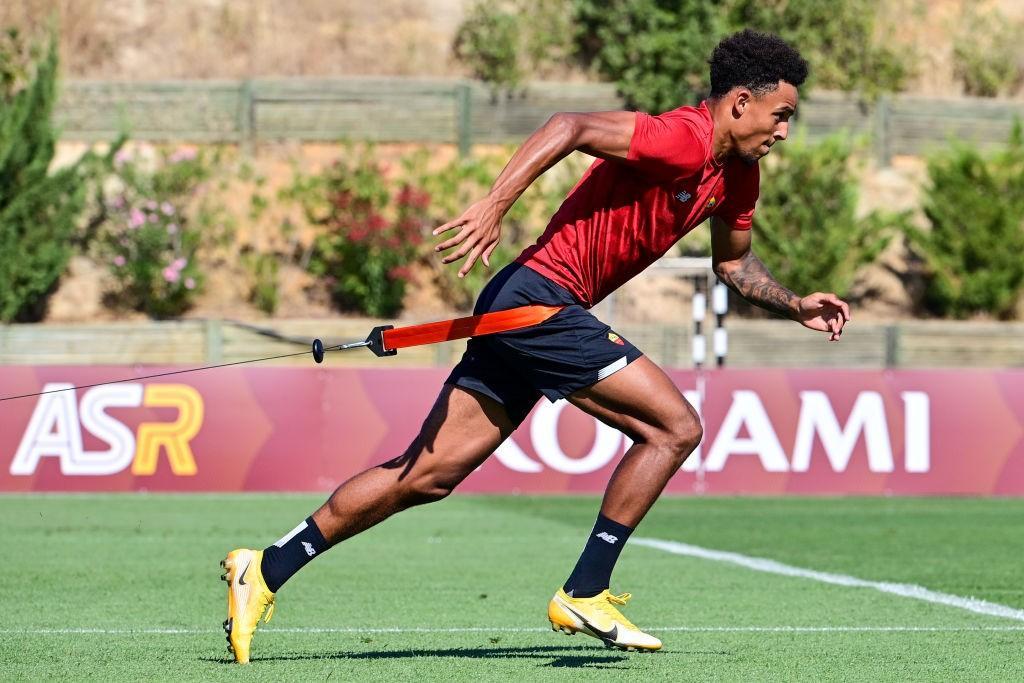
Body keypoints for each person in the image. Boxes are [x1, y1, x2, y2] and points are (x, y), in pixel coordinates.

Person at [220, 29, 850, 663]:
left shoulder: (738, 177)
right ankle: (586, 588)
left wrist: (795, 304)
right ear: (740, 103)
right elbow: (568, 124)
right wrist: (494, 204)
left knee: (428, 475)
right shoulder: (680, 137)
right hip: (539, 300)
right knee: (675, 428)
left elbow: (734, 267)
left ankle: (266, 568)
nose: (785, 132)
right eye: (782, 116)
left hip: (528, 306)